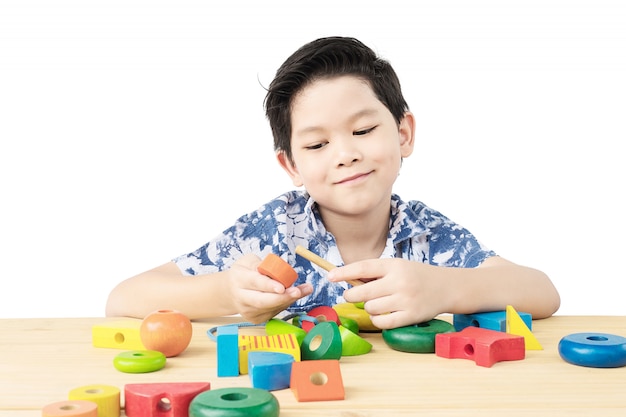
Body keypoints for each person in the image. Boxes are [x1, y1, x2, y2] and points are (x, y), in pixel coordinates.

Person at [105, 36, 560, 329]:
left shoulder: (429, 236)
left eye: (363, 131)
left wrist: (444, 288)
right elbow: (124, 298)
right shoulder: (270, 233)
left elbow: (543, 292)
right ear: (292, 167)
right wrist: (226, 292)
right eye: (318, 145)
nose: (346, 154)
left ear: (404, 134)